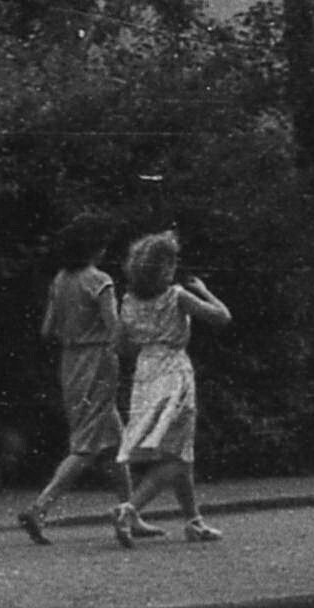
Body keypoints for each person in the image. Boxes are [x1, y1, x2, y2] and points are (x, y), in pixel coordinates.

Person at [112, 230, 233, 547]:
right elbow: (222, 317)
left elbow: (121, 345)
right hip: (174, 374)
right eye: (170, 263)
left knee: (181, 451)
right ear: (161, 268)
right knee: (176, 456)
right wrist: (204, 291)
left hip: (145, 374)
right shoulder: (176, 296)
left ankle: (194, 521)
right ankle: (130, 509)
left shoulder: (128, 301)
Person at [18, 216, 133, 543]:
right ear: (95, 248)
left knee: (116, 442)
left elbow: (47, 329)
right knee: (86, 446)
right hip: (99, 362)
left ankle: (131, 511)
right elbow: (115, 329)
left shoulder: (60, 280)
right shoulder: (100, 280)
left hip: (70, 363)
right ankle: (40, 507)